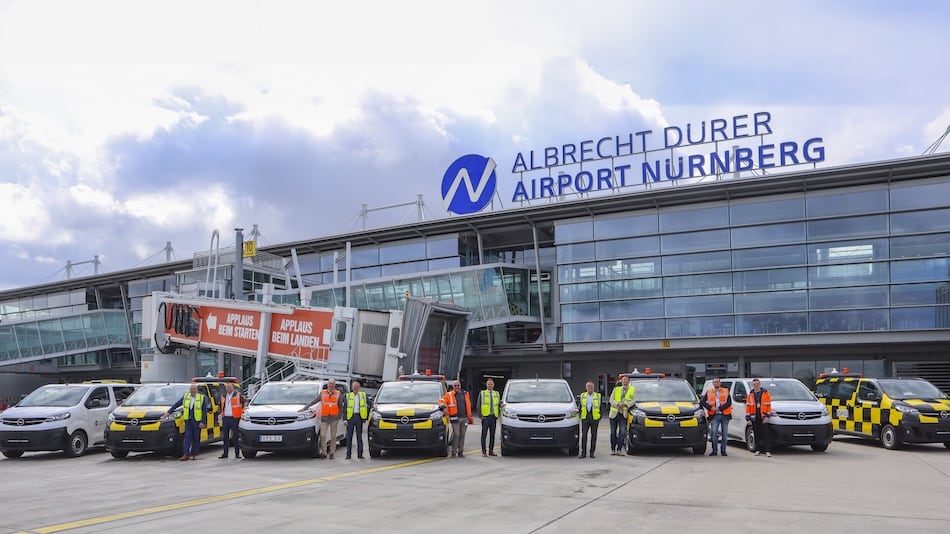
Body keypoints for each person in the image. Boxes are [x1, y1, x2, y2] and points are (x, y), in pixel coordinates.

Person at [165, 383, 211, 461]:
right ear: (189, 390)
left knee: (196, 438)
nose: (192, 391)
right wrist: (169, 412)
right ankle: (186, 454)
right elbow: (177, 404)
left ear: (196, 390)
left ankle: (195, 454)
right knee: (187, 437)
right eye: (191, 389)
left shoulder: (201, 398)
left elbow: (204, 411)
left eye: (194, 389)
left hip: (197, 421)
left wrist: (203, 422)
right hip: (188, 421)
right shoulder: (186, 397)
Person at [701, 377, 732, 456]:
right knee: (714, 433)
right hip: (714, 416)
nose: (716, 383)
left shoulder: (726, 391)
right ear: (713, 383)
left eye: (717, 382)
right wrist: (711, 408)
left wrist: (719, 408)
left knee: (724, 434)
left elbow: (729, 402)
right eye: (715, 382)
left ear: (720, 383)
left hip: (724, 415)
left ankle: (723, 450)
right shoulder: (709, 392)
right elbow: (703, 402)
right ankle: (714, 450)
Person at [442, 380, 473, 457]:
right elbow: (442, 401)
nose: (457, 387)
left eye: (458, 385)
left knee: (462, 435)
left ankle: (460, 451)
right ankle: (453, 451)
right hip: (455, 418)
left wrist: (470, 416)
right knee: (456, 434)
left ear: (460, 386)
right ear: (453, 387)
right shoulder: (449, 395)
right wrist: (444, 408)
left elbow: (468, 405)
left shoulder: (465, 394)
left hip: (465, 418)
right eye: (455, 385)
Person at [608, 375, 636, 455]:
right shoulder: (616, 389)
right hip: (614, 414)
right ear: (621, 381)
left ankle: (619, 449)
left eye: (626, 380)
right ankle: (613, 449)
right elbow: (611, 400)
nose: (625, 381)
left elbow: (633, 400)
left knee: (622, 432)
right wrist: (617, 404)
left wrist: (626, 404)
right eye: (623, 380)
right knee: (613, 432)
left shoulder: (632, 390)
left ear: (629, 382)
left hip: (623, 414)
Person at [746, 378, 773, 457]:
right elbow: (748, 406)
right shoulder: (750, 395)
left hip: (763, 417)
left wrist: (767, 416)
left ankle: (767, 451)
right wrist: (748, 418)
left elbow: (768, 405)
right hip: (754, 417)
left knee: (765, 434)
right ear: (752, 385)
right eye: (754, 384)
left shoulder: (765, 393)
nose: (756, 385)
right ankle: (757, 450)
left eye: (757, 384)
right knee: (756, 434)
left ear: (759, 384)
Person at [318, 379, 344, 459]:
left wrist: (339, 416)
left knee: (333, 436)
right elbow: (315, 401)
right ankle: (324, 452)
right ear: (327, 385)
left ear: (334, 385)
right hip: (325, 417)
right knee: (322, 435)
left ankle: (332, 452)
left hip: (334, 418)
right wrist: (305, 408)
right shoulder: (322, 393)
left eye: (332, 384)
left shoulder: (338, 393)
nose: (331, 385)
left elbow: (341, 407)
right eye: (330, 384)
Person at [343, 380, 369, 459]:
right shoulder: (347, 396)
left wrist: (374, 406)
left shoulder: (363, 395)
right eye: (354, 387)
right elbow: (344, 409)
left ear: (359, 388)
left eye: (357, 387)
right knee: (349, 437)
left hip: (359, 417)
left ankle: (360, 454)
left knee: (359, 436)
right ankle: (348, 454)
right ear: (352, 387)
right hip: (350, 418)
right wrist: (344, 419)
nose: (355, 388)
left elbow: (369, 403)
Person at [218, 381, 243, 459]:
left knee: (235, 437)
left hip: (234, 418)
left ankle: (237, 453)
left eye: (230, 387)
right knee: (225, 437)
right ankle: (225, 454)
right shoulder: (223, 396)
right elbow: (220, 406)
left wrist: (241, 415)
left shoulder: (238, 395)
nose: (228, 388)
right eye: (227, 387)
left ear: (233, 387)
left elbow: (244, 404)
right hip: (226, 418)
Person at [578, 381, 601, 458]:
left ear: (593, 388)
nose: (590, 388)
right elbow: (580, 406)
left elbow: (600, 407)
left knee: (594, 436)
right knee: (584, 435)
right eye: (588, 387)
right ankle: (583, 453)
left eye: (591, 387)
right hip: (585, 417)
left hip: (594, 417)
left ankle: (592, 453)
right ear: (586, 388)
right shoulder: (583, 395)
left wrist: (599, 416)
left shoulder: (597, 396)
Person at [477, 378, 500, 457]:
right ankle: (484, 451)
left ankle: (491, 450)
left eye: (491, 384)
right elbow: (478, 405)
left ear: (493, 385)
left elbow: (498, 404)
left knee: (492, 435)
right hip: (485, 417)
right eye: (488, 384)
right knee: (484, 434)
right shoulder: (482, 393)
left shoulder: (496, 393)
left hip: (493, 416)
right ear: (486, 385)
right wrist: (480, 416)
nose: (490, 385)